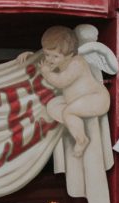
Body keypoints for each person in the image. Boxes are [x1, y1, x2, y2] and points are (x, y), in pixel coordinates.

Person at [37, 25, 111, 157]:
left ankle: (81, 139)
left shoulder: (77, 63)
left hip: (97, 98)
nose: (49, 59)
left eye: (55, 56)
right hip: (77, 100)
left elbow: (61, 81)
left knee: (68, 112)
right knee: (52, 106)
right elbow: (40, 61)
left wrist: (47, 73)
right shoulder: (62, 61)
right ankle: (74, 123)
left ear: (70, 55)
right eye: (47, 54)